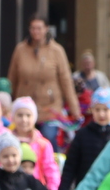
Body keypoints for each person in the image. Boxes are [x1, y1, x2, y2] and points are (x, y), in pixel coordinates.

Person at [7, 16, 80, 144]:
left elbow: (66, 81)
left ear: (46, 29)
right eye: (33, 28)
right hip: (26, 106)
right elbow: (12, 78)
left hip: (50, 107)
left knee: (48, 137)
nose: (36, 32)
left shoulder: (57, 50)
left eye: (39, 28)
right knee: (24, 140)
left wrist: (75, 110)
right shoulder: (20, 49)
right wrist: (8, 105)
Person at [10, 97, 60, 190]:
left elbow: (51, 169)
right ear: (13, 117)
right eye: (20, 115)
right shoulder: (6, 142)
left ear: (34, 118)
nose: (24, 119)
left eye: (28, 115)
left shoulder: (43, 144)